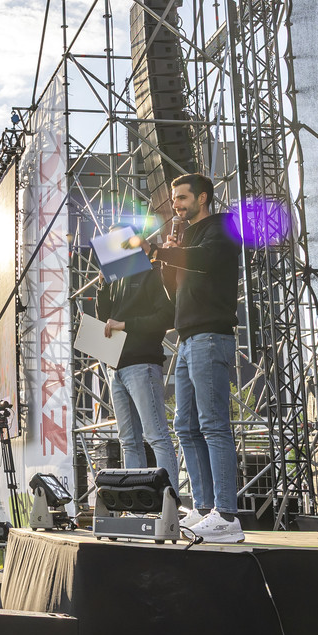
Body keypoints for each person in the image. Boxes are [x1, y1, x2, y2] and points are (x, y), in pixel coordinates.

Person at [154, 172, 244, 544]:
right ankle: (204, 508)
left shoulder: (221, 228)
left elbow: (206, 261)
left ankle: (227, 515)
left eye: (182, 197)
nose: (175, 204)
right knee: (185, 427)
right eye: (174, 198)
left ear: (202, 198)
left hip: (210, 336)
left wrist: (163, 251)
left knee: (213, 424)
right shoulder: (187, 239)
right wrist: (167, 258)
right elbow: (173, 290)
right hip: (188, 338)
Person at [98, 248, 181, 493]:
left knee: (156, 435)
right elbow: (105, 320)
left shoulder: (150, 272)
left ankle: (170, 500)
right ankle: (135, 502)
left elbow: (166, 316)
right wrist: (102, 287)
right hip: (116, 366)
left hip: (142, 363)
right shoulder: (115, 280)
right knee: (128, 441)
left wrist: (125, 325)